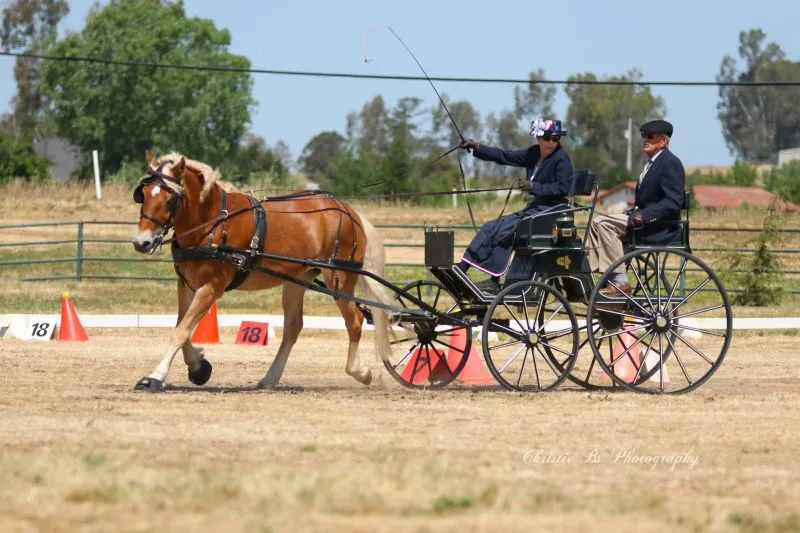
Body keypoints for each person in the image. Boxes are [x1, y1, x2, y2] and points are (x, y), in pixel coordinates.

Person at [457, 118, 574, 295]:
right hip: (535, 209)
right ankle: (462, 268)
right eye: (548, 138)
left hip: (550, 211)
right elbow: (505, 156)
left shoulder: (561, 160)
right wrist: (477, 147)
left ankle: (493, 281)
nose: (552, 143)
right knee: (491, 226)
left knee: (505, 230)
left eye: (556, 139)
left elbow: (562, 188)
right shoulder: (533, 153)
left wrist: (534, 186)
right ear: (538, 138)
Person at [586, 119, 685, 295]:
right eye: (644, 136)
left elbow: (674, 202)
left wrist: (644, 215)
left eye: (650, 136)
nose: (645, 139)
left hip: (658, 227)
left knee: (602, 223)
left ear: (663, 141)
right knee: (596, 223)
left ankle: (620, 281)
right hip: (641, 221)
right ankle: (599, 275)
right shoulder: (652, 163)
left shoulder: (670, 163)